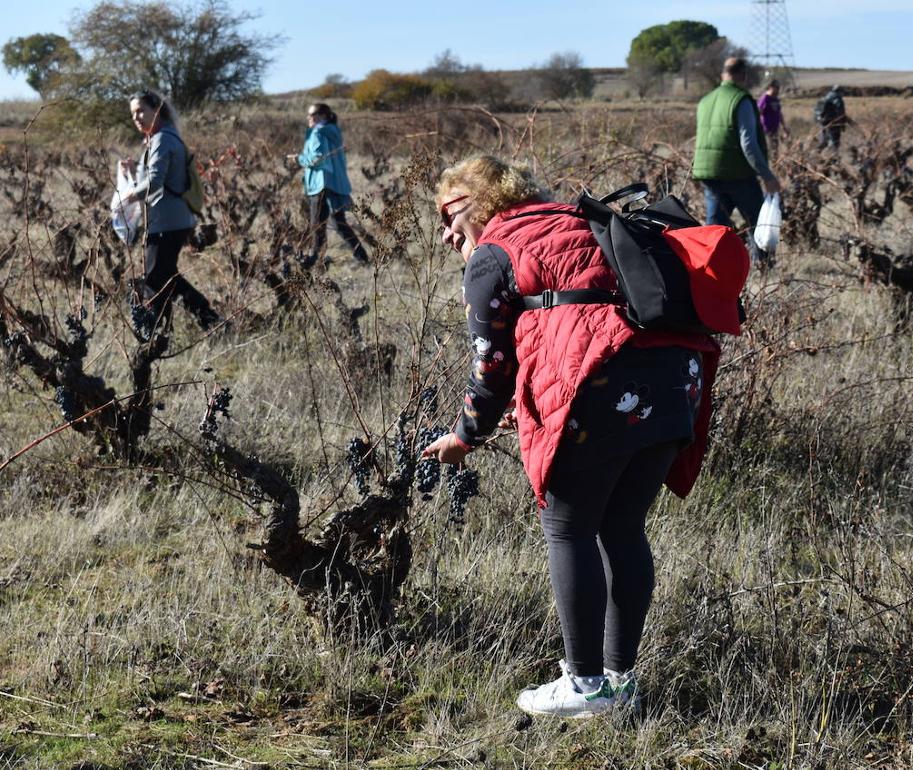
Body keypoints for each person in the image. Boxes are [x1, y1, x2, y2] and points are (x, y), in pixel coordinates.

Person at [422, 155, 720, 718]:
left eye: (449, 213)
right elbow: (571, 325)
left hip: (606, 386)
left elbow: (491, 364)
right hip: (677, 384)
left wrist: (465, 436)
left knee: (569, 528)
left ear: (481, 202)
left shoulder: (495, 251)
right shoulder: (580, 221)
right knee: (623, 527)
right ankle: (618, 682)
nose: (444, 231)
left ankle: (585, 686)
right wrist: (534, 401)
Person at [120, 89, 219, 332]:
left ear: (158, 110)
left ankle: (192, 322)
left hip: (167, 222)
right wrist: (132, 172)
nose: (137, 118)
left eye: (142, 110)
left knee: (156, 278)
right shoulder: (162, 138)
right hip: (170, 220)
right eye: (133, 114)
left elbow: (155, 181)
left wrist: (130, 196)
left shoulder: (162, 139)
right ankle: (172, 326)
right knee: (166, 276)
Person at [691, 57, 781, 265]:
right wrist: (767, 176)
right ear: (743, 75)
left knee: (714, 232)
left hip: (709, 173)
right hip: (738, 174)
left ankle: (710, 273)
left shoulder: (706, 100)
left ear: (724, 73)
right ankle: (763, 269)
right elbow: (748, 143)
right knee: (758, 225)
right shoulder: (740, 99)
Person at [290, 103, 368, 266]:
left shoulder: (317, 132)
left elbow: (318, 159)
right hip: (335, 183)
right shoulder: (334, 132)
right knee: (339, 223)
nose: (308, 118)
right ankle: (363, 258)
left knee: (317, 226)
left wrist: (299, 159)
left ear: (322, 116)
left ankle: (313, 262)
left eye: (311, 114)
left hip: (320, 185)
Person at [757, 79, 788, 157]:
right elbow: (758, 113)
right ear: (770, 87)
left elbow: (779, 113)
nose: (778, 90)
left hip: (775, 129)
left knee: (775, 149)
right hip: (766, 129)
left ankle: (774, 165)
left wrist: (784, 126)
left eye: (779, 88)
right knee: (769, 150)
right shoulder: (765, 98)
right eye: (776, 87)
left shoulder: (776, 99)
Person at [815, 85, 849, 150]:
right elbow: (841, 112)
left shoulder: (826, 96)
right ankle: (834, 156)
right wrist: (842, 124)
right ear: (840, 91)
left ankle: (817, 153)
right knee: (835, 140)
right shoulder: (837, 98)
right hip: (833, 122)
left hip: (822, 121)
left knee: (824, 139)